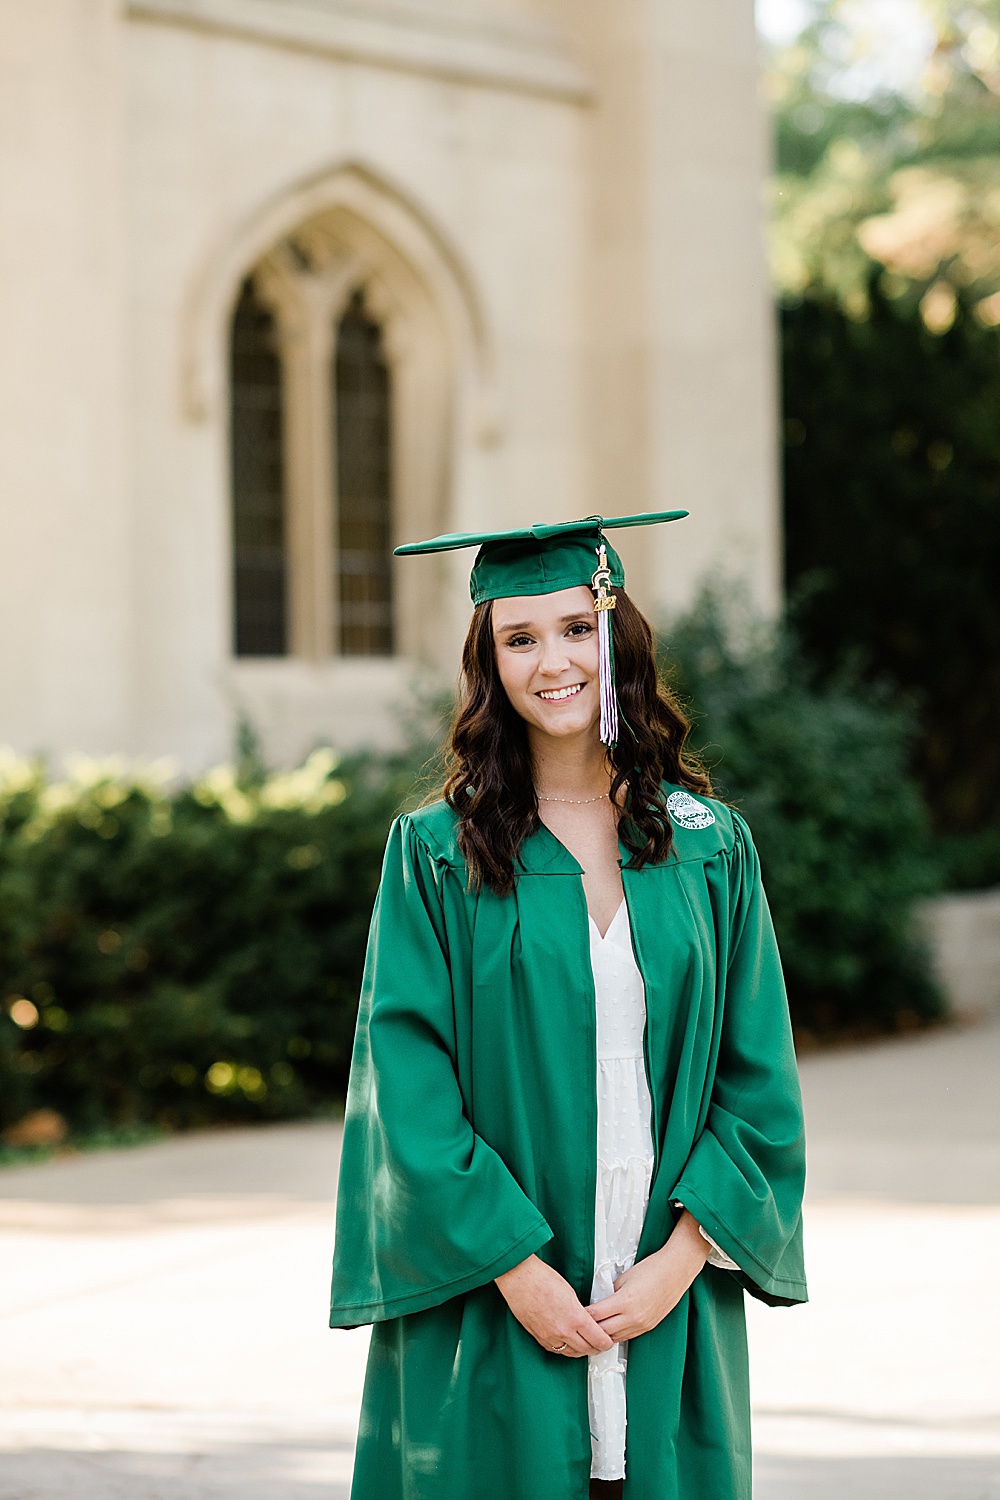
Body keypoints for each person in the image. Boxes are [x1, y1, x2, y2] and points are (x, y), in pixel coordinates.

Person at [330, 513, 807, 1500]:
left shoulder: (708, 846)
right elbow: (406, 1085)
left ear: (615, 637)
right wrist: (519, 1270)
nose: (553, 661)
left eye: (575, 628)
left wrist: (682, 1260)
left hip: (662, 1299)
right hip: (493, 1303)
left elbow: (755, 1079)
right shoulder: (435, 855)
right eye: (519, 637)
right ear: (488, 662)